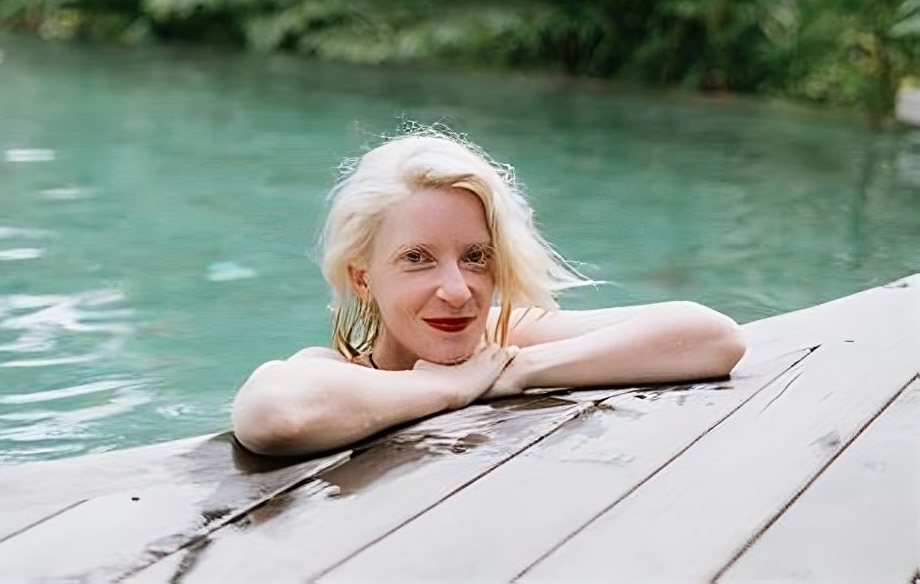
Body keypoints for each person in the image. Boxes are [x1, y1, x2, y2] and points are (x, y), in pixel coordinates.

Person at [232, 131, 747, 456]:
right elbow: (271, 417)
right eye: (417, 258)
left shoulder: (504, 338)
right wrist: (447, 390)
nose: (457, 292)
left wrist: (515, 372)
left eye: (475, 257)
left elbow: (711, 336)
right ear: (363, 278)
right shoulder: (332, 369)